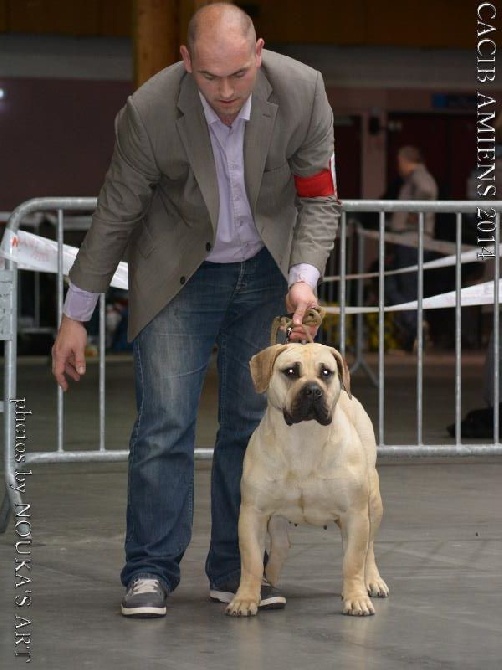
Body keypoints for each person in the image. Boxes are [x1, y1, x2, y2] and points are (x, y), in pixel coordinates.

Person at [51, 3, 339, 618]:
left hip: (266, 270)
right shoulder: (150, 111)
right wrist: (76, 315)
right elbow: (115, 215)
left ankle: (239, 573)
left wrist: (304, 277)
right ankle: (150, 571)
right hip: (178, 273)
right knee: (164, 424)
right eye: (211, 77)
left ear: (259, 52)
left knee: (247, 426)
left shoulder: (303, 91)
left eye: (239, 73)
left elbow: (318, 198)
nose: (228, 91)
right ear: (185, 62)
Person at [384, 145, 438, 351]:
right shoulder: (413, 179)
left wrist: (412, 214)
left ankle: (416, 324)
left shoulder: (419, 177)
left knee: (408, 289)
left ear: (407, 161)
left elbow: (426, 191)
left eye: (400, 162)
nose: (399, 167)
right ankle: (416, 328)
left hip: (413, 242)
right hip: (409, 241)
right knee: (408, 289)